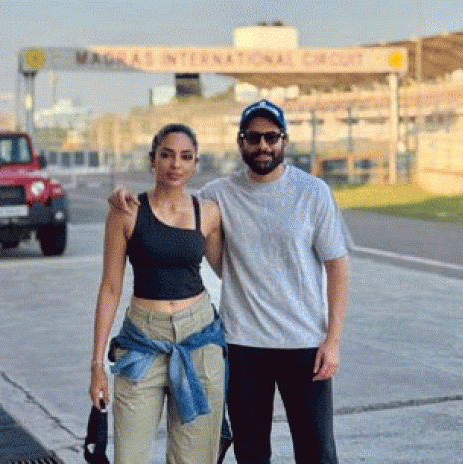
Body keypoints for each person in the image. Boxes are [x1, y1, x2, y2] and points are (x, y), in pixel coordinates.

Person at [110, 99, 351, 464]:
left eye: (271, 137)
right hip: (242, 346)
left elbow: (338, 267)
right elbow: (173, 201)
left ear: (284, 141)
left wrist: (332, 341)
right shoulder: (217, 195)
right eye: (253, 137)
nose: (263, 145)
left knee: (317, 452)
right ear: (240, 142)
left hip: (304, 344)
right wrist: (120, 195)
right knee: (250, 453)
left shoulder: (313, 192)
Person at [90, 123, 226, 464]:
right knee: (128, 457)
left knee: (194, 459)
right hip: (142, 342)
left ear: (195, 163)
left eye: (186, 157)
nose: (176, 165)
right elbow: (110, 288)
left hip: (199, 339)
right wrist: (96, 364)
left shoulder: (207, 213)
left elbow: (233, 274)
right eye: (167, 155)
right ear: (153, 159)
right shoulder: (126, 211)